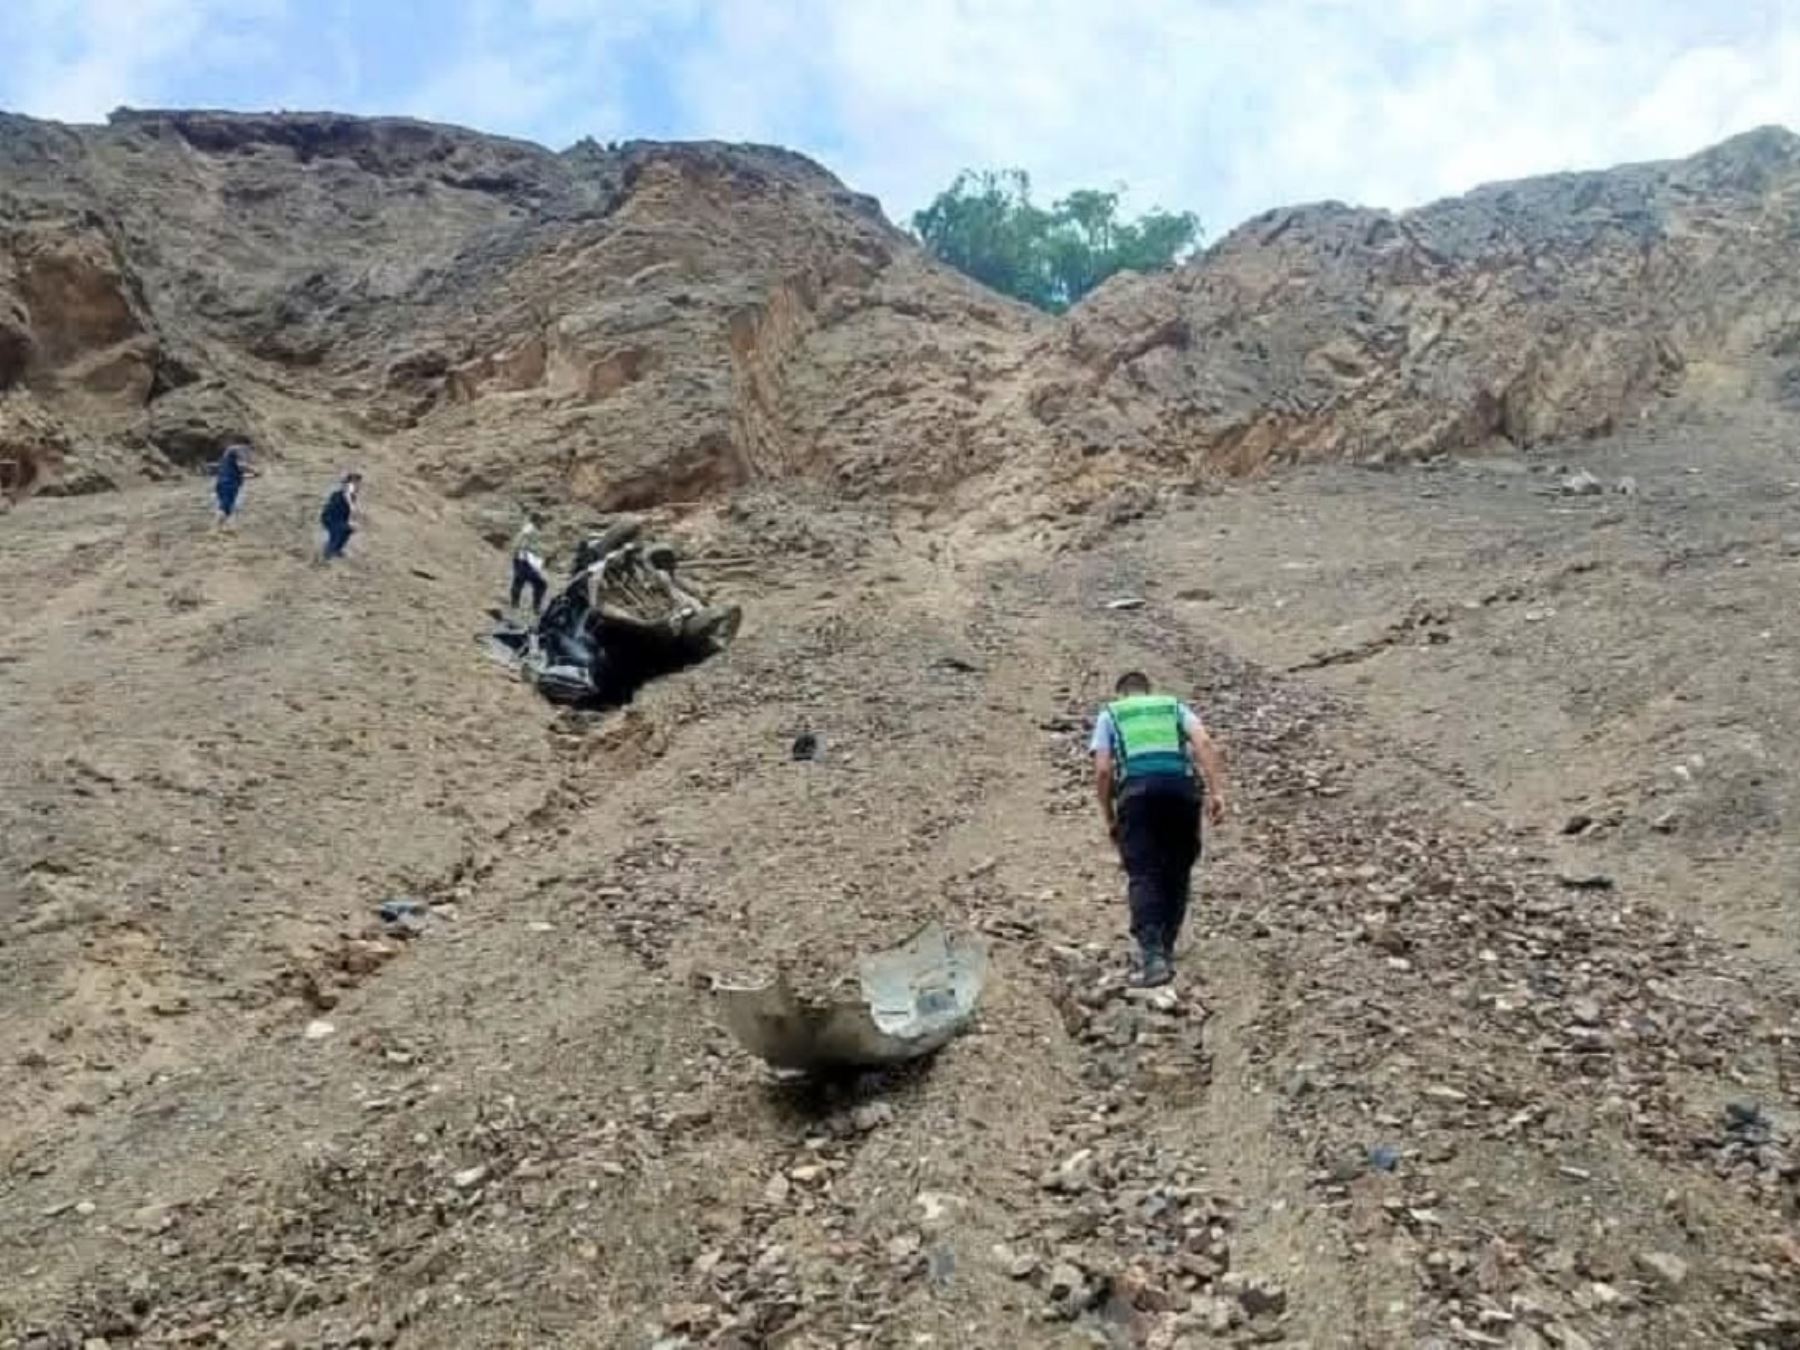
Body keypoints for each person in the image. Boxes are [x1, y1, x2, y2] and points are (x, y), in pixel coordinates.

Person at [1090, 671, 1229, 987]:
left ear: (1121, 694)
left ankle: (1153, 957)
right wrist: (1216, 792)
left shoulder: (1110, 714)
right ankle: (1167, 944)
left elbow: (1103, 770)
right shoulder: (1172, 706)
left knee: (1143, 870)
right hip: (1181, 790)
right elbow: (1203, 742)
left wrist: (1109, 816)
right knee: (1178, 868)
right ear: (1149, 690)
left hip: (1136, 794)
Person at [510, 519, 549, 614]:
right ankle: (533, 607)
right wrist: (518, 553)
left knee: (519, 581)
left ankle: (516, 604)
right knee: (540, 584)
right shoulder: (529, 528)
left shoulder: (533, 530)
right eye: (542, 521)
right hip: (524, 560)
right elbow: (521, 540)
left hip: (525, 560)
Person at [320, 471, 362, 560]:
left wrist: (350, 523)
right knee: (339, 532)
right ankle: (328, 553)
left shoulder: (351, 496)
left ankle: (335, 549)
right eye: (355, 483)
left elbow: (348, 512)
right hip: (331, 518)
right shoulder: (342, 494)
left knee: (347, 530)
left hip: (338, 519)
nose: (357, 486)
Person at [214, 443, 251, 523]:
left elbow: (238, 472)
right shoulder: (238, 451)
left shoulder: (226, 460)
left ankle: (223, 526)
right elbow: (242, 466)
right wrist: (254, 470)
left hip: (221, 483)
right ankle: (216, 527)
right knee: (225, 508)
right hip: (229, 485)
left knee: (226, 507)